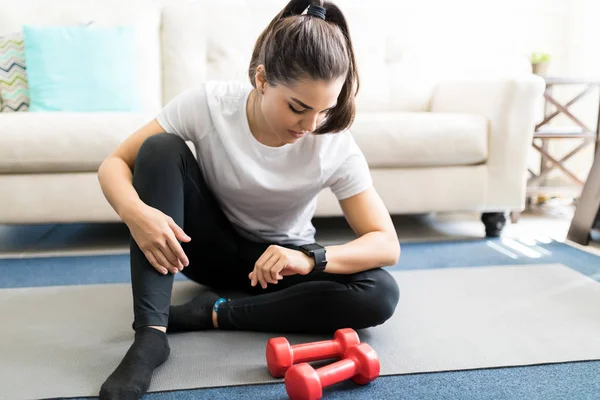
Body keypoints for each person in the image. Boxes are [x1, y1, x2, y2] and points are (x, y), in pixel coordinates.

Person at [96, 0, 400, 398]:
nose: (310, 126)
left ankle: (215, 313)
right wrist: (136, 213)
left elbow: (385, 243)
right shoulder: (209, 105)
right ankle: (151, 335)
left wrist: (309, 258)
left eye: (323, 111)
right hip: (207, 251)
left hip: (281, 269)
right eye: (298, 107)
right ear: (261, 78)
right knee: (159, 148)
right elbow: (114, 163)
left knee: (380, 292)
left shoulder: (334, 144)